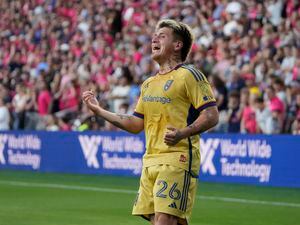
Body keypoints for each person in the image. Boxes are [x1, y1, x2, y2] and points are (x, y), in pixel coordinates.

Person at [82, 19, 219, 225]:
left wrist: (182, 133)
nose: (154, 38)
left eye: (162, 35)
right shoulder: (148, 83)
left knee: (165, 221)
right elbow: (136, 124)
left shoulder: (189, 75)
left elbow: (211, 115)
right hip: (150, 161)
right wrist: (99, 111)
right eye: (154, 35)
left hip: (177, 159)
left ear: (177, 45)